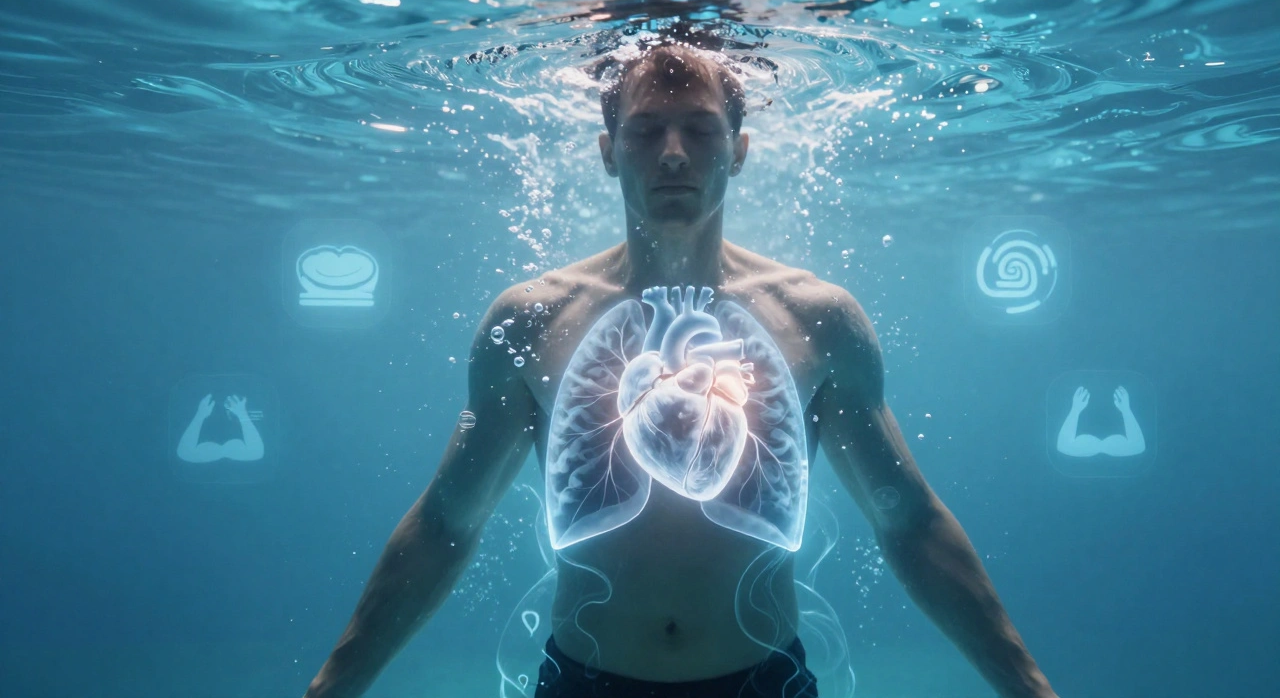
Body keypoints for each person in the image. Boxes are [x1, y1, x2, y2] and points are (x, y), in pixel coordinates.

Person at [304, 42, 1058, 698]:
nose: (672, 153)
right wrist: (330, 688)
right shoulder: (532, 318)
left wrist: (1029, 688)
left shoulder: (815, 317)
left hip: (765, 685)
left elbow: (910, 522)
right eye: (644, 131)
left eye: (700, 130)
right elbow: (445, 522)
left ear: (738, 148)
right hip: (582, 686)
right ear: (607, 150)